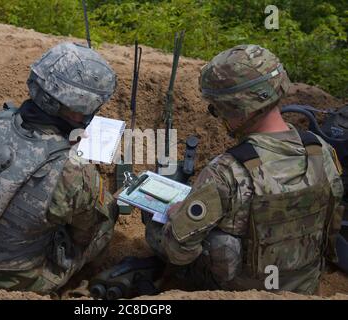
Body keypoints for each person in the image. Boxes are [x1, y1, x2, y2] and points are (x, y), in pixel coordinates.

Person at [144, 44, 345, 294]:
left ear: (234, 108)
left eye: (216, 108)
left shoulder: (227, 171)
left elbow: (179, 251)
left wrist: (176, 216)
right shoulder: (321, 150)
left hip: (241, 292)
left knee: (158, 228)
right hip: (305, 285)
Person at [0, 42, 118, 295]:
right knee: (106, 214)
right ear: (78, 110)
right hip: (11, 283)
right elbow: (83, 234)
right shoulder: (74, 171)